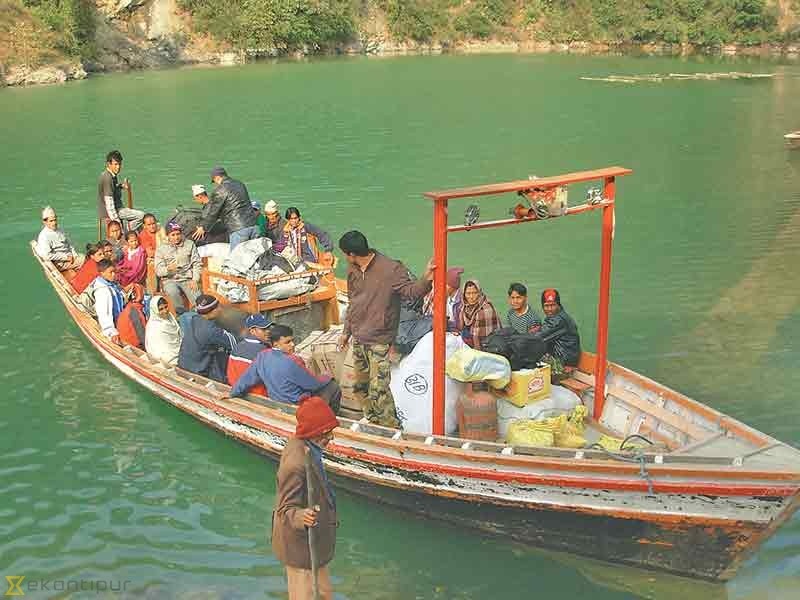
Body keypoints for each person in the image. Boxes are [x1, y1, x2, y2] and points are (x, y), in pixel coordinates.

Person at [337, 231, 433, 428]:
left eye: (346, 254)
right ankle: (373, 421)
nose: (345, 258)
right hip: (359, 337)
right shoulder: (353, 269)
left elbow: (411, 292)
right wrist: (346, 332)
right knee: (360, 387)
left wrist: (426, 278)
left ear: (352, 254)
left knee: (379, 389)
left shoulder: (391, 269)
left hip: (380, 339)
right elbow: (352, 302)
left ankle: (392, 428)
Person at [272, 396, 339, 600]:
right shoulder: (295, 464)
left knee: (325, 593)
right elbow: (285, 510)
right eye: (328, 433)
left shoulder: (311, 450)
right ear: (315, 433)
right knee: (303, 595)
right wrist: (301, 517)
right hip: (300, 546)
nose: (332, 437)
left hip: (316, 541)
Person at [231, 325, 341, 411]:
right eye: (287, 342)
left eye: (292, 341)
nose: (292, 345)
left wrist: (232, 393)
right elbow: (313, 385)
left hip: (276, 401)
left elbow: (246, 379)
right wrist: (326, 377)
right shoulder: (293, 361)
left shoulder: (262, 356)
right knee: (333, 386)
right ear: (275, 344)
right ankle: (326, 419)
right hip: (296, 405)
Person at [191, 167, 259, 250]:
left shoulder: (220, 190)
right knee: (254, 257)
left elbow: (213, 213)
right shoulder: (240, 184)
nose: (216, 184)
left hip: (238, 229)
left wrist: (203, 227)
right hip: (253, 226)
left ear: (217, 178)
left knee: (236, 259)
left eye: (214, 181)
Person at [177, 294, 237, 382]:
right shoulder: (211, 331)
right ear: (211, 311)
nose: (220, 309)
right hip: (198, 373)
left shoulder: (194, 319)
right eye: (218, 307)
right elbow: (234, 343)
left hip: (184, 366)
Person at [155, 222, 202, 310]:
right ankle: (181, 315)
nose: (176, 237)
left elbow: (197, 263)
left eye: (178, 234)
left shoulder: (189, 244)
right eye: (173, 235)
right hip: (169, 279)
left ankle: (199, 316)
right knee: (172, 292)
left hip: (187, 278)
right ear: (168, 235)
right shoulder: (161, 249)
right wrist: (168, 269)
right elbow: (158, 270)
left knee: (198, 298)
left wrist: (195, 279)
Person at [97, 150, 145, 232]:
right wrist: (118, 224)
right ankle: (127, 231)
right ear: (109, 164)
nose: (118, 167)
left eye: (119, 164)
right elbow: (109, 204)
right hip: (115, 211)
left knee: (140, 225)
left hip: (118, 209)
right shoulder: (107, 178)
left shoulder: (111, 175)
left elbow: (113, 188)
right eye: (115, 164)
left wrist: (121, 186)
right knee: (142, 215)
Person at [226, 313, 273, 397]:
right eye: (264, 329)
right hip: (259, 397)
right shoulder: (265, 351)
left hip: (236, 393)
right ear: (252, 331)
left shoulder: (237, 347)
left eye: (269, 327)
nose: (268, 331)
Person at [535, 288, 581, 371]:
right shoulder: (559, 316)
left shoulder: (558, 320)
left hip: (563, 364)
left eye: (552, 305)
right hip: (563, 359)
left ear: (558, 305)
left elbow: (538, 338)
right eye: (546, 306)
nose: (549, 309)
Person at [455, 280, 501, 351]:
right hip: (471, 340)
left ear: (479, 293)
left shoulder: (484, 310)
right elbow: (460, 328)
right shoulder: (464, 307)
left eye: (474, 293)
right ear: (464, 294)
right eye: (468, 293)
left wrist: (476, 354)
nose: (471, 297)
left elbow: (478, 339)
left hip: (487, 345)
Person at [36, 206, 84, 273]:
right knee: (85, 260)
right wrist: (66, 257)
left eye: (55, 220)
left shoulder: (59, 230)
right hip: (60, 263)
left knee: (84, 257)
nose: (54, 223)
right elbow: (47, 255)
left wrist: (74, 254)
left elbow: (68, 244)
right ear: (45, 222)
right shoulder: (44, 236)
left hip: (69, 257)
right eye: (51, 221)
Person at [90, 259, 126, 344]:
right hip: (114, 322)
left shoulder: (111, 284)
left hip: (120, 316)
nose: (114, 275)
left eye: (114, 272)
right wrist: (111, 331)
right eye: (111, 272)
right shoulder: (103, 291)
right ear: (102, 273)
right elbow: (103, 313)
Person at [145, 296, 183, 366]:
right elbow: (159, 352)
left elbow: (179, 336)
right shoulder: (154, 327)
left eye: (166, 307)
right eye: (161, 309)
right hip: (167, 359)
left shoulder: (170, 317)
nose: (165, 311)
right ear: (155, 310)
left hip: (179, 352)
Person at [117, 283, 147, 349]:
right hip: (134, 346)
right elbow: (141, 335)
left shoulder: (129, 308)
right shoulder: (134, 311)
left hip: (128, 344)